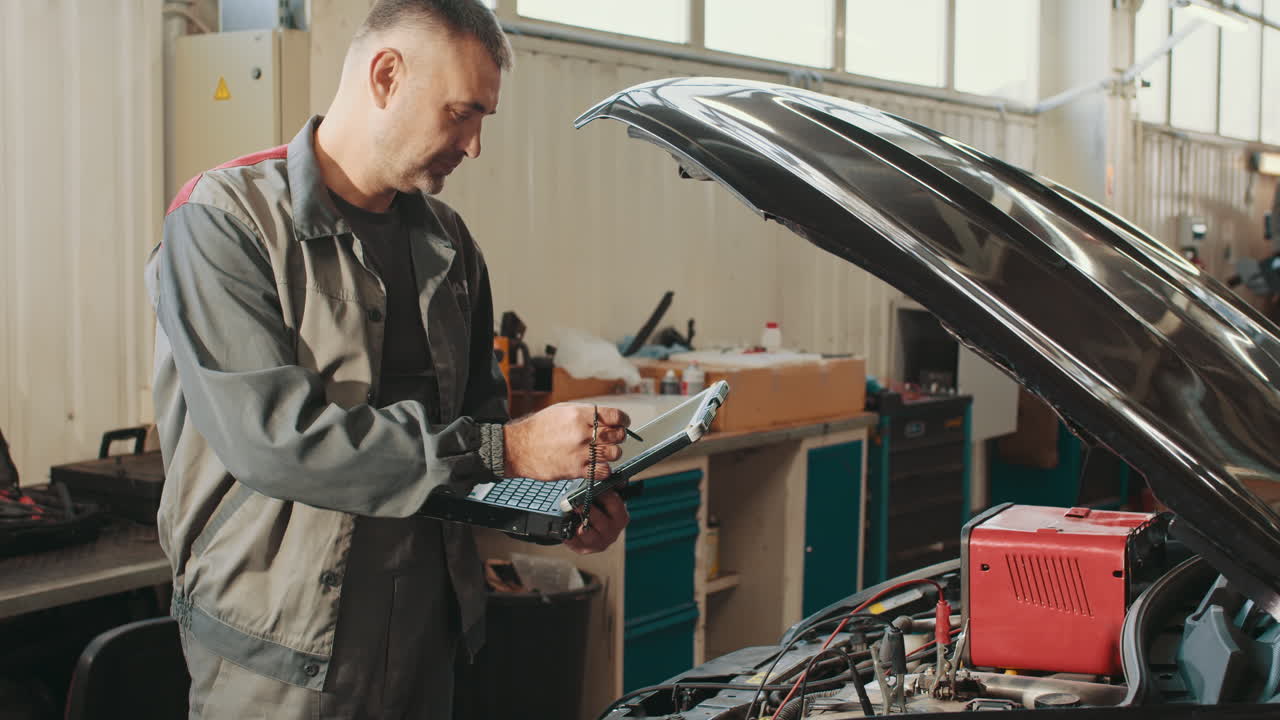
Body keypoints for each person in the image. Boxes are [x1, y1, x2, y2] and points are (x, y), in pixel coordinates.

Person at [145, 1, 631, 717]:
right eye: (462, 113)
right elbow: (276, 440)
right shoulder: (224, 219)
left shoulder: (449, 244)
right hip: (278, 656)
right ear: (385, 76)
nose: (473, 146)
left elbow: (478, 433)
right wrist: (509, 449)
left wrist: (556, 506)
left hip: (425, 645)